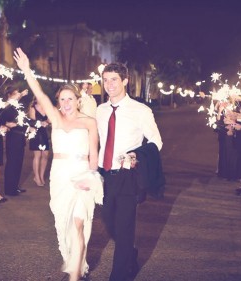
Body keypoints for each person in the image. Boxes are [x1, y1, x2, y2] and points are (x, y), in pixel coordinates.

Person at [15, 48, 102, 281]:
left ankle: (74, 276)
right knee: (64, 223)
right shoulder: (55, 118)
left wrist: (92, 178)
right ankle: (77, 264)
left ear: (77, 100)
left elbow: (94, 154)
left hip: (82, 175)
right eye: (62, 99)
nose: (65, 103)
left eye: (69, 99)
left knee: (79, 225)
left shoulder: (89, 122)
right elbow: (40, 95)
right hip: (60, 176)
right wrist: (27, 71)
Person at [96, 62, 163, 281]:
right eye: (105, 80)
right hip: (104, 176)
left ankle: (119, 275)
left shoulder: (141, 110)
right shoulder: (100, 110)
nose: (109, 84)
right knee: (110, 224)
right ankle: (130, 254)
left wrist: (135, 155)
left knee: (124, 230)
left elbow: (156, 141)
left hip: (127, 176)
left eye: (114, 79)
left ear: (125, 80)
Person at [0, 86, 29, 196]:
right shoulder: (6, 107)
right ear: (9, 96)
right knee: (12, 163)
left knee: (19, 162)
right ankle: (9, 189)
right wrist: (8, 124)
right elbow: (0, 120)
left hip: (20, 137)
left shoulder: (16, 107)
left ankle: (15, 186)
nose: (18, 95)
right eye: (15, 94)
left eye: (18, 93)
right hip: (13, 137)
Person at [28, 97, 50, 187]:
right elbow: (32, 121)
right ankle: (36, 177)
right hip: (36, 133)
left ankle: (41, 176)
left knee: (45, 155)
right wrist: (41, 123)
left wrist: (47, 122)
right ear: (35, 99)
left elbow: (50, 118)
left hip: (44, 133)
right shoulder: (33, 108)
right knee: (38, 155)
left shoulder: (46, 107)